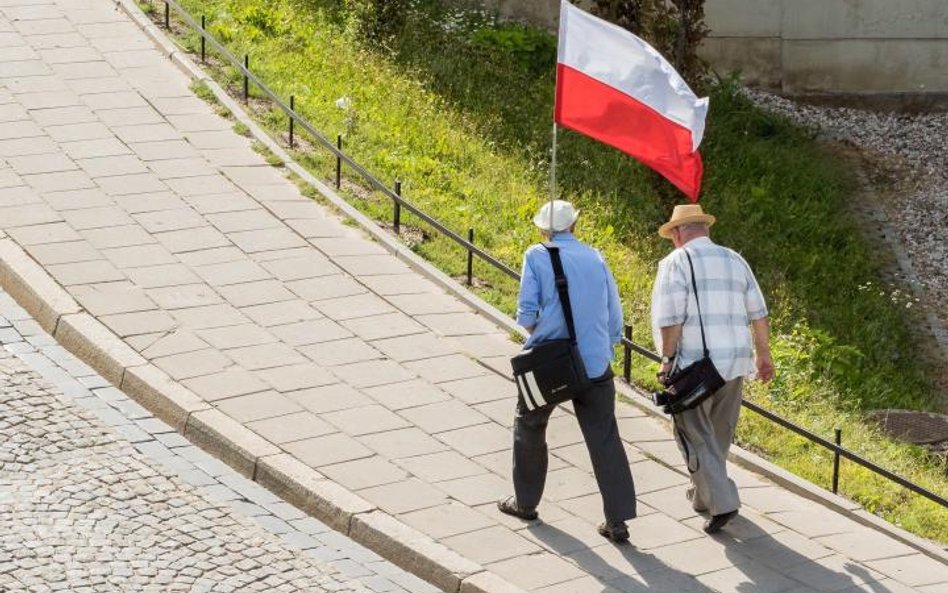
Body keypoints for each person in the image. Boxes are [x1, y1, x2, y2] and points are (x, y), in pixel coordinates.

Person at [498, 200, 637, 543]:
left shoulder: (535, 255)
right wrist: (602, 346)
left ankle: (526, 503)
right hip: (594, 364)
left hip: (549, 362)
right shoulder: (597, 257)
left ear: (543, 228)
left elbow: (527, 314)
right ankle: (617, 521)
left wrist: (543, 338)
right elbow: (614, 315)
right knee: (605, 438)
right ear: (574, 225)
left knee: (529, 424)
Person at [650, 204, 774, 534]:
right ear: (704, 228)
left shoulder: (675, 262)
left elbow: (671, 319)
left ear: (677, 233)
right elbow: (758, 313)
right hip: (735, 361)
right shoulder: (735, 259)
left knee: (693, 433)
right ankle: (704, 497)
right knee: (718, 434)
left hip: (696, 366)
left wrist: (666, 360)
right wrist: (763, 355)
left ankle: (723, 503)